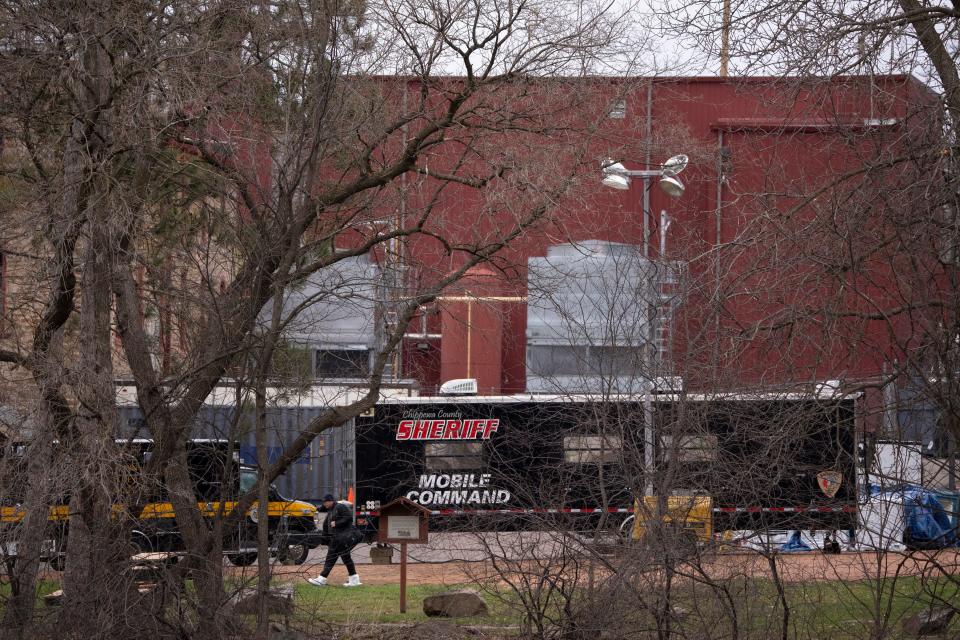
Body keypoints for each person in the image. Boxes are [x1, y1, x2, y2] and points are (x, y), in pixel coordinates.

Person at [307, 494, 362, 587]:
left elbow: (348, 517)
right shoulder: (330, 509)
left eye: (325, 502)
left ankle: (322, 579)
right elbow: (324, 521)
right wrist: (325, 539)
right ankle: (353, 579)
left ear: (330, 501)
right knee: (338, 558)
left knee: (335, 558)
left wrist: (336, 523)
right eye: (323, 503)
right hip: (336, 538)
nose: (324, 504)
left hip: (343, 537)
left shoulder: (340, 507)